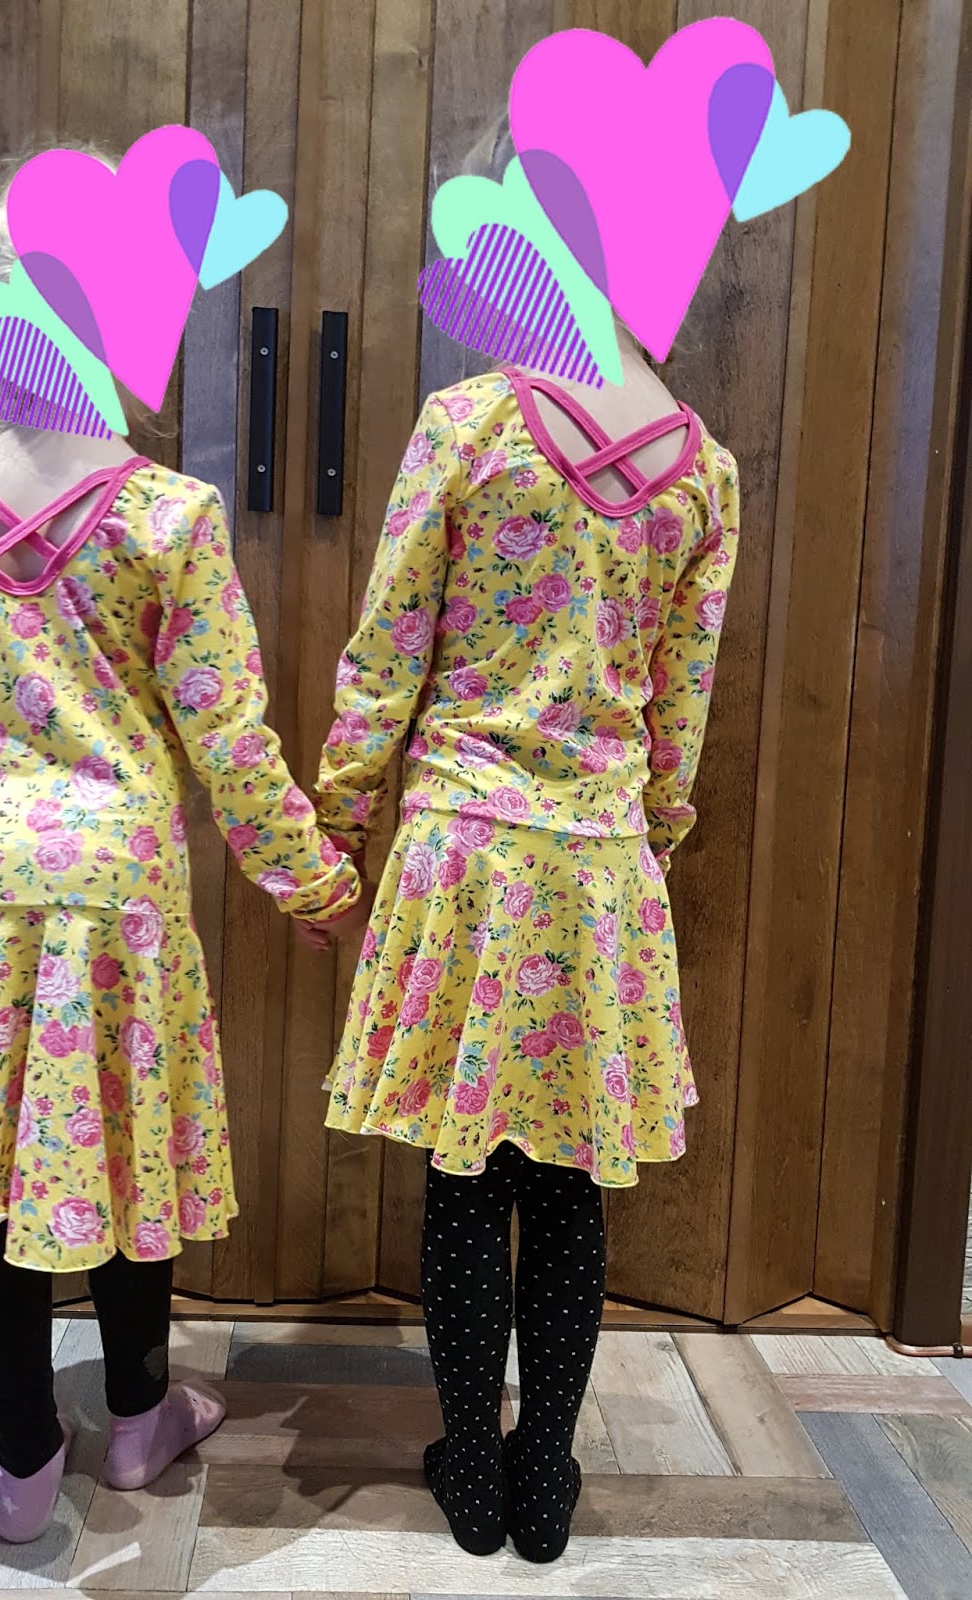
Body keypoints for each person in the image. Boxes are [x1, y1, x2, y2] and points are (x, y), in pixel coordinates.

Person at [0, 174, 369, 1545]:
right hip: (124, 900)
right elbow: (231, 740)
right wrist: (314, 883)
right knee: (131, 1162)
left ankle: (25, 1470)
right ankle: (140, 1423)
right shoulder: (168, 519)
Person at [311, 328, 740, 1561]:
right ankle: (543, 1474)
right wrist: (655, 831)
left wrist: (342, 818)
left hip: (466, 858)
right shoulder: (702, 472)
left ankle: (472, 1467)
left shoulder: (469, 424)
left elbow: (389, 647)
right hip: (599, 867)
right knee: (566, 1186)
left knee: (467, 1180)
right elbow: (681, 704)